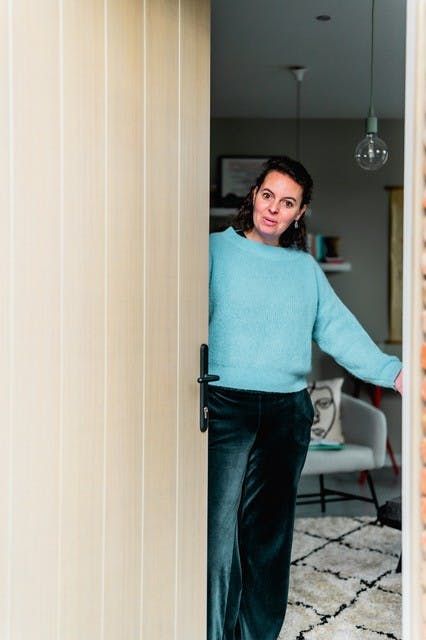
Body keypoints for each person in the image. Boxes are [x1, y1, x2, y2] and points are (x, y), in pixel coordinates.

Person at [207, 156, 403, 640]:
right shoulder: (212, 250)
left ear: (301, 212)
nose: (274, 209)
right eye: (268, 195)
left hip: (286, 413)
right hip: (223, 407)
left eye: (288, 202)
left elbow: (339, 331)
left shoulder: (304, 270)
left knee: (268, 536)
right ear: (253, 195)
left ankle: (257, 634)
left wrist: (396, 373)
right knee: (217, 535)